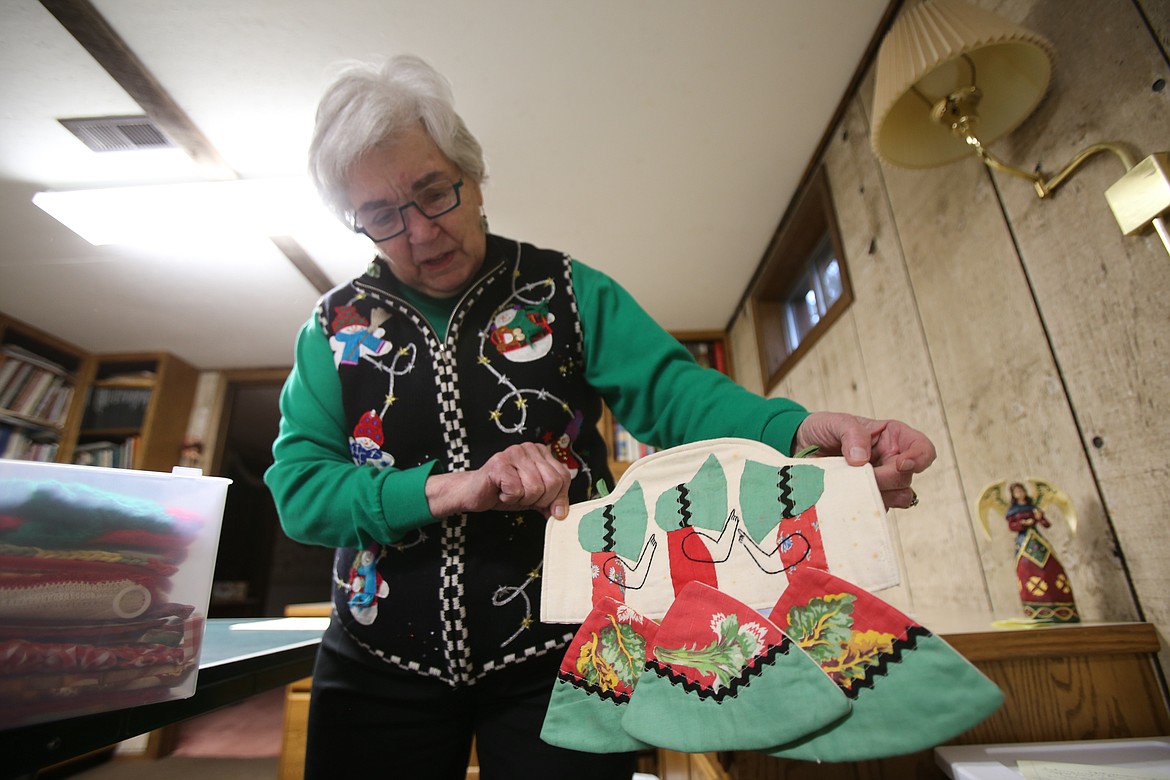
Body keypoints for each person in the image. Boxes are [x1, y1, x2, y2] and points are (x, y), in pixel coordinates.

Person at [264, 54, 937, 780]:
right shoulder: (333, 327)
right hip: (375, 665)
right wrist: (453, 488)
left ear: (473, 175)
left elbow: (677, 394)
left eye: (434, 193)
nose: (420, 233)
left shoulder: (565, 288)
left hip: (566, 653)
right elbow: (300, 491)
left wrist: (798, 435)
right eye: (382, 216)